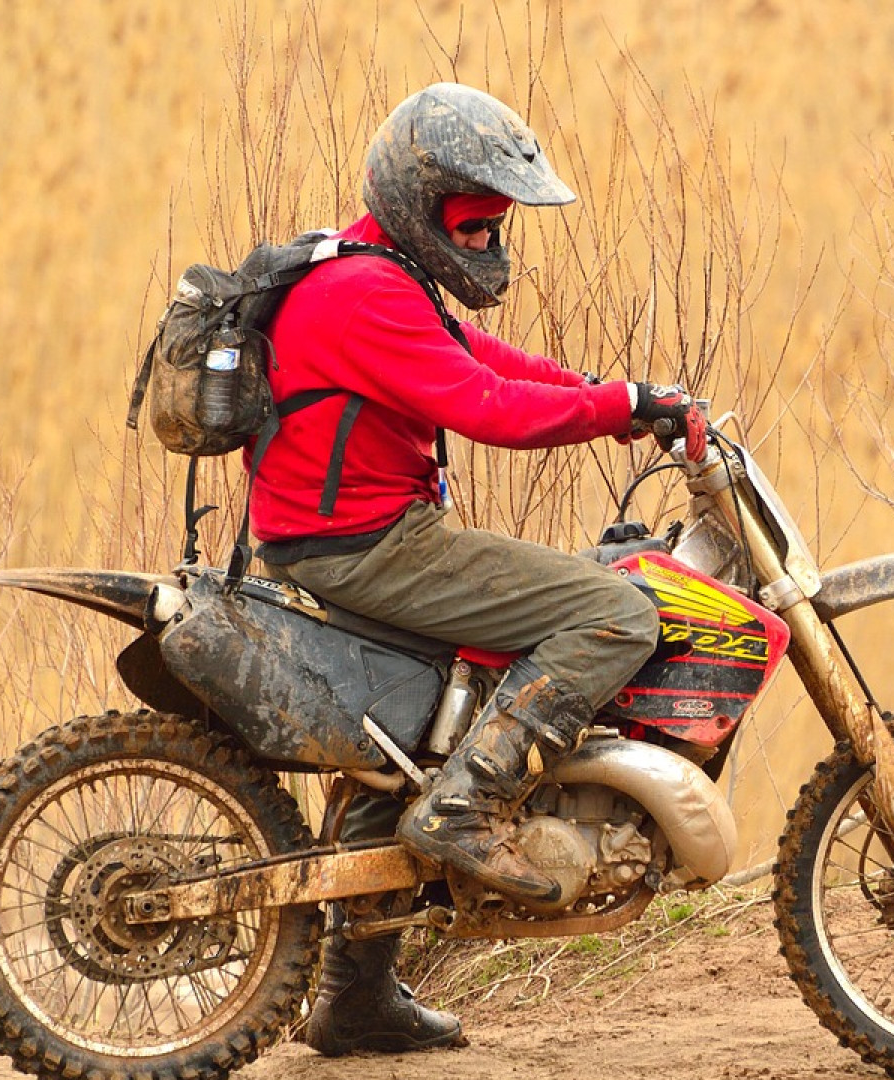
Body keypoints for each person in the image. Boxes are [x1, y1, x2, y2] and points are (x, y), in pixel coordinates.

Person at [247, 83, 700, 1056]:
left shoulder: (373, 268)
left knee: (403, 737)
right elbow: (485, 406)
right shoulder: (367, 293)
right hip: (365, 543)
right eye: (475, 223)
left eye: (496, 226)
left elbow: (486, 358)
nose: (490, 242)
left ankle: (355, 1000)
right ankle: (469, 805)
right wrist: (618, 407)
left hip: (332, 535)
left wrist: (619, 397)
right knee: (617, 612)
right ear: (421, 206)